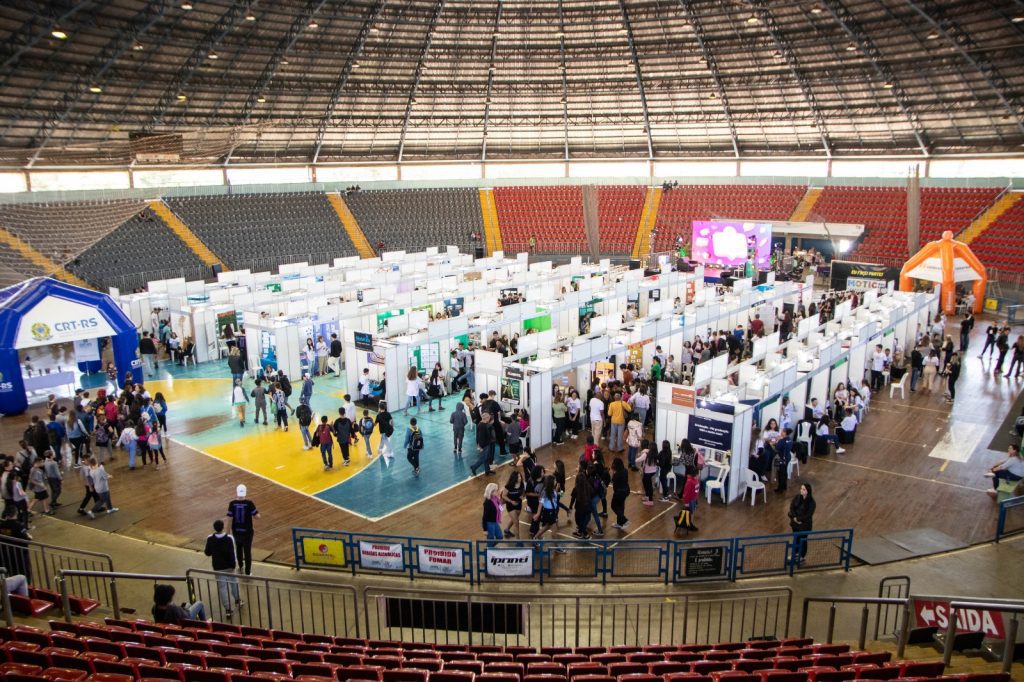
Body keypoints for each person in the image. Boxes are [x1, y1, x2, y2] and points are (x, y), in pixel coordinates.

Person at [204, 519, 242, 617]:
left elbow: (207, 552)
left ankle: (228, 609)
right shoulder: (229, 538)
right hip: (229, 566)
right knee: (234, 583)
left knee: (222, 588)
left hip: (218, 567)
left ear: (214, 528)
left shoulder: (210, 538)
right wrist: (234, 565)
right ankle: (238, 600)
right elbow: (233, 552)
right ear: (222, 527)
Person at [227, 485, 259, 576]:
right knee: (247, 551)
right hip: (247, 532)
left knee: (238, 548)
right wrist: (257, 513)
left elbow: (229, 519)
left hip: (236, 531)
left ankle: (240, 566)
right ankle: (248, 572)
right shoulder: (249, 503)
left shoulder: (232, 503)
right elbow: (257, 516)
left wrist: (227, 532)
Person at [788, 483, 816, 565]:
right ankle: (795, 554)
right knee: (796, 539)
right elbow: (792, 507)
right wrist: (795, 518)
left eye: (803, 489)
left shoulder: (812, 502)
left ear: (808, 491)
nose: (801, 490)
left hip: (804, 526)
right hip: (795, 525)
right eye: (801, 488)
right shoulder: (797, 497)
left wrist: (799, 519)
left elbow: (808, 514)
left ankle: (802, 556)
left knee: (803, 540)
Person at [501, 470, 525, 539]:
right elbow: (503, 495)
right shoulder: (508, 486)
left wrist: (522, 496)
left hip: (518, 504)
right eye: (518, 477)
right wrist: (511, 501)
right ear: (514, 478)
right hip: (510, 505)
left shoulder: (522, 484)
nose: (520, 478)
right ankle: (518, 540)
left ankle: (506, 530)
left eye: (520, 476)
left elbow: (523, 492)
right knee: (516, 523)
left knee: (515, 519)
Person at [609, 457, 630, 530]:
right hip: (625, 490)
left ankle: (624, 520)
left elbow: (612, 481)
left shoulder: (617, 474)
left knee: (614, 506)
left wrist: (613, 473)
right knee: (621, 506)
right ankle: (619, 523)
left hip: (619, 492)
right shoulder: (625, 471)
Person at [635, 440, 656, 507]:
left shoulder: (645, 454)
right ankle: (647, 496)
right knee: (645, 482)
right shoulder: (654, 453)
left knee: (648, 486)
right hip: (653, 471)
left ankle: (650, 501)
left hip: (648, 472)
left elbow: (638, 460)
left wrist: (635, 458)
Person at [774, 428, 794, 493]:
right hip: (788, 457)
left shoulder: (782, 441)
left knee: (781, 473)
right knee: (784, 471)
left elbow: (776, 448)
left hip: (782, 458)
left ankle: (780, 489)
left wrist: (778, 440)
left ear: (785, 433)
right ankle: (784, 485)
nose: (781, 432)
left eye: (782, 431)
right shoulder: (790, 439)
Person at [680, 466, 700, 532]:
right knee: (690, 513)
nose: (698, 476)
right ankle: (689, 524)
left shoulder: (696, 480)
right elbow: (686, 494)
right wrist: (686, 503)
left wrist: (696, 498)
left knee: (692, 512)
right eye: (698, 474)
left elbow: (696, 490)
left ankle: (690, 524)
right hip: (690, 500)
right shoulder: (690, 482)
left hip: (694, 499)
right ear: (695, 475)